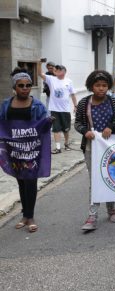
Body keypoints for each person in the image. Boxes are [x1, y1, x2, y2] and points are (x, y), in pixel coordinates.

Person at [74, 70, 115, 231]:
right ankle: (92, 215)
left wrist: (111, 127)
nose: (101, 88)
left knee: (109, 177)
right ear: (91, 86)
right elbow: (77, 123)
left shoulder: (114, 102)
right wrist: (85, 132)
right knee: (95, 180)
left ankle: (111, 209)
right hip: (92, 148)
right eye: (97, 85)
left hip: (110, 148)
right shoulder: (84, 103)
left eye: (104, 85)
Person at [0, 69, 48, 233]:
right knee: (21, 181)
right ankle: (24, 215)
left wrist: (48, 122)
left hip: (32, 150)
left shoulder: (38, 105)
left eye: (28, 85)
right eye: (21, 85)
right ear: (15, 86)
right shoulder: (6, 104)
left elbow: (44, 126)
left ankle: (30, 215)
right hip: (14, 150)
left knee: (30, 181)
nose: (25, 88)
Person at [37, 62, 77, 154]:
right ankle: (58, 148)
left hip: (65, 109)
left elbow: (73, 94)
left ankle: (66, 144)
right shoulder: (51, 79)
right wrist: (39, 63)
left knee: (66, 129)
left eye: (59, 69)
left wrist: (75, 106)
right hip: (54, 109)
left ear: (64, 71)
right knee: (56, 129)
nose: (57, 70)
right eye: (56, 69)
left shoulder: (69, 81)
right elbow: (40, 73)